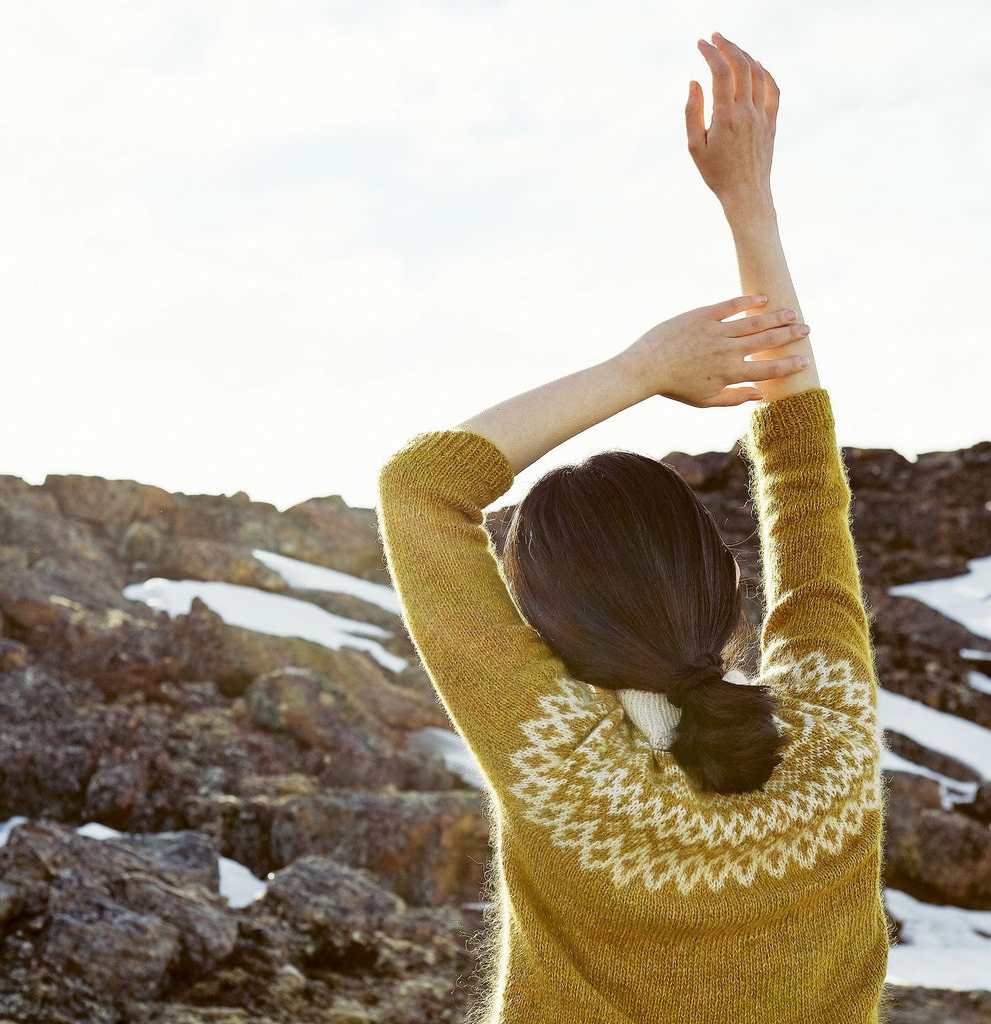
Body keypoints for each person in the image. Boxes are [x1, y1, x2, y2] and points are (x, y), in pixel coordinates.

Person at [378, 32, 887, 1024]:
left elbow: (419, 488)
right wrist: (750, 205)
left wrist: (640, 368)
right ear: (725, 586)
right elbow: (800, 475)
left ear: (544, 624)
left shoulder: (562, 765)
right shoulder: (832, 750)